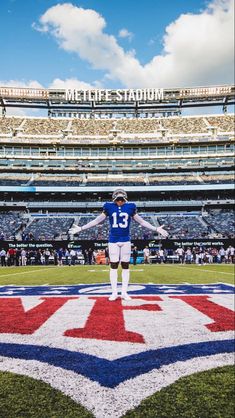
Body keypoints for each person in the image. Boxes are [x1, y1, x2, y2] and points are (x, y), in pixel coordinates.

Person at [69, 188, 168, 301]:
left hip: (125, 239)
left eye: (122, 199)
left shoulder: (130, 207)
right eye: (118, 199)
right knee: (114, 266)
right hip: (113, 240)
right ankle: (114, 292)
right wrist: (81, 228)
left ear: (125, 198)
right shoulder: (109, 207)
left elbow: (141, 221)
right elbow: (97, 220)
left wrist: (156, 228)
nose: (120, 202)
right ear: (114, 199)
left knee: (126, 266)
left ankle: (124, 292)